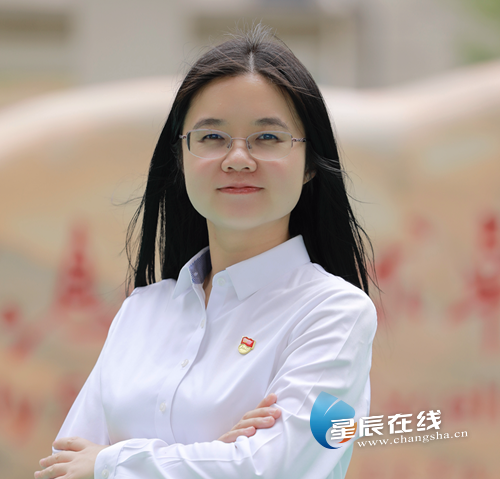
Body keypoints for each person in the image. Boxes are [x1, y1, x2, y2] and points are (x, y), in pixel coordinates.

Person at [34, 23, 378, 479]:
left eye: (268, 138)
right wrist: (214, 455)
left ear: (310, 163)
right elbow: (64, 468)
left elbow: (275, 467)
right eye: (212, 137)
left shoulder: (334, 313)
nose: (238, 158)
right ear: (180, 158)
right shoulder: (142, 310)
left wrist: (110, 461)